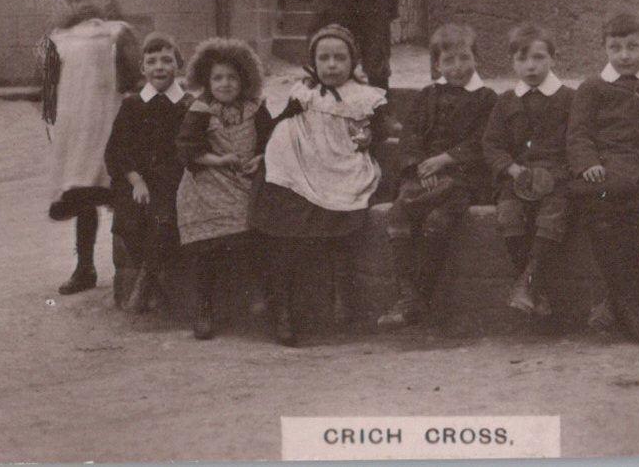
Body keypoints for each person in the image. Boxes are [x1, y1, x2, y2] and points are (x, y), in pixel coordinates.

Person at [251, 24, 387, 346]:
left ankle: (341, 291)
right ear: (314, 61)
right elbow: (279, 121)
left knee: (341, 219)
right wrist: (263, 150)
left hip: (339, 164)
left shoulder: (365, 98)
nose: (331, 65)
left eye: (340, 58)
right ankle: (282, 310)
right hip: (299, 163)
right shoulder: (304, 93)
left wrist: (370, 136)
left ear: (352, 62)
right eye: (323, 58)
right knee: (280, 224)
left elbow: (379, 131)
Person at [567, 6, 639, 346]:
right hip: (606, 169)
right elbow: (578, 134)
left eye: (632, 47)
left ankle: (617, 301)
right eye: (615, 48)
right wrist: (587, 162)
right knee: (600, 212)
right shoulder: (592, 87)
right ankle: (627, 306)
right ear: (603, 48)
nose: (624, 56)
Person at [377, 23, 496, 329]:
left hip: (461, 176)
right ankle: (408, 298)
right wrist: (419, 164)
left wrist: (445, 160)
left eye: (464, 58)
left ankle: (418, 299)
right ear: (437, 65)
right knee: (398, 217)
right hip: (422, 174)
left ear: (476, 59)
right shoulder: (427, 96)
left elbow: (484, 141)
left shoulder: (486, 98)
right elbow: (411, 136)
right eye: (449, 61)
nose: (458, 67)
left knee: (437, 220)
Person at [38, 0, 141, 296]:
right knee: (84, 195)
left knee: (121, 195)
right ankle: (85, 268)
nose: (85, 3)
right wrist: (52, 120)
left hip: (110, 123)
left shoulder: (117, 33)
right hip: (77, 128)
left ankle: (132, 270)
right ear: (70, 2)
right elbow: (48, 84)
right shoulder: (60, 38)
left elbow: (133, 78)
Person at [175, 37, 268, 341]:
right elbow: (188, 149)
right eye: (218, 78)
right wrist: (219, 159)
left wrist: (259, 157)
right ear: (206, 80)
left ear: (244, 80)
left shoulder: (256, 109)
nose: (225, 84)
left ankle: (260, 297)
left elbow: (271, 141)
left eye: (232, 77)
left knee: (254, 231)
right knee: (208, 245)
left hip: (244, 179)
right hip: (208, 178)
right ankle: (204, 307)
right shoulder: (201, 110)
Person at [482, 23, 573, 320]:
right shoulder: (506, 101)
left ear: (553, 59)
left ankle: (528, 283)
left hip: (555, 179)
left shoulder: (568, 99)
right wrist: (510, 167)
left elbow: (575, 141)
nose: (530, 66)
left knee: (553, 213)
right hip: (516, 177)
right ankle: (534, 289)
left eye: (538, 58)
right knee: (508, 213)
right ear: (512, 62)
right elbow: (492, 144)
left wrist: (554, 174)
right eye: (522, 59)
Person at [104, 31, 190, 313]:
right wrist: (136, 179)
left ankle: (145, 284)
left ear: (179, 65)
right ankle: (151, 281)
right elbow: (116, 150)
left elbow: (189, 149)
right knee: (126, 221)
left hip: (173, 181)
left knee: (163, 219)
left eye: (167, 60)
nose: (159, 67)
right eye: (151, 62)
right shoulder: (132, 105)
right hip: (137, 180)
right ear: (143, 68)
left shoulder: (187, 106)